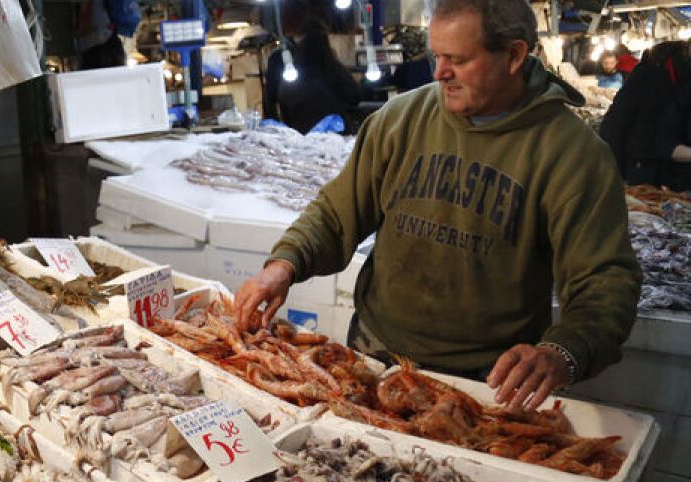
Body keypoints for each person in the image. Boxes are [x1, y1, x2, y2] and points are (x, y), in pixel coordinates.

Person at [234, 0, 641, 411]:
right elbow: (336, 213)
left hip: (487, 384)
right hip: (376, 358)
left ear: (514, 55)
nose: (439, 73)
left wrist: (563, 352)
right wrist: (283, 265)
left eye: (458, 60)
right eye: (437, 56)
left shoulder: (573, 155)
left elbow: (604, 283)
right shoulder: (399, 120)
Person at [600, 42, 691, 185]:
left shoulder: (681, 77)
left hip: (672, 170)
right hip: (641, 166)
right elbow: (614, 123)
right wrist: (614, 174)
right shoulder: (647, 75)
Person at [263, 20, 362, 133]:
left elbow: (276, 102)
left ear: (301, 42)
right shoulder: (334, 69)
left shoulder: (291, 75)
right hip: (335, 134)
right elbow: (355, 96)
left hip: (301, 135)